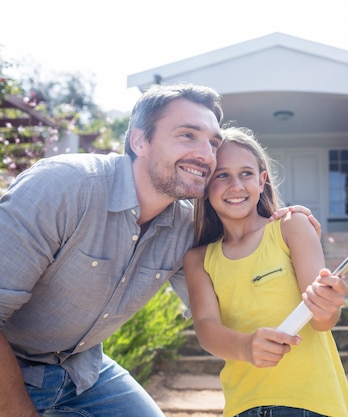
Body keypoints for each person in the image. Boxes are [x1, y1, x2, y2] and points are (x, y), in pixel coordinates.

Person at [0, 83, 319, 417]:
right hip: (11, 365)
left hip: (82, 370)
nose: (206, 155)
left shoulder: (185, 228)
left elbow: (227, 306)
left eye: (212, 142)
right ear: (140, 141)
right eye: (187, 135)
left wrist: (285, 236)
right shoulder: (63, 187)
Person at [184, 126, 348, 417]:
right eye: (221, 175)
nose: (236, 185)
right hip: (244, 404)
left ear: (262, 180)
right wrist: (246, 347)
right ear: (205, 186)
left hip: (311, 402)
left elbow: (322, 321)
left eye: (246, 173)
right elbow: (206, 328)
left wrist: (327, 304)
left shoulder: (292, 226)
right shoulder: (198, 259)